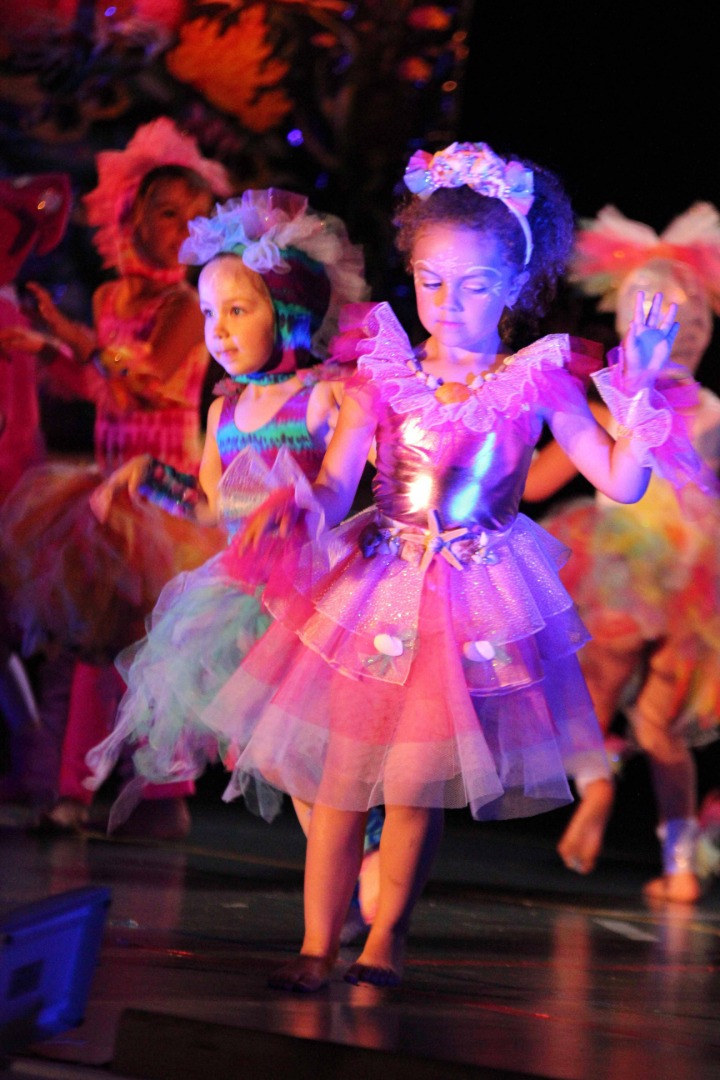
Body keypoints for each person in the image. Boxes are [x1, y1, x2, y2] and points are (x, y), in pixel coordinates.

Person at [194, 141, 709, 992]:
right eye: (432, 282)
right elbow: (330, 490)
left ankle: (384, 936)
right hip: (372, 584)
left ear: (513, 284)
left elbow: (620, 480)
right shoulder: (381, 371)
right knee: (340, 778)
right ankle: (318, 939)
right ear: (412, 272)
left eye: (473, 286)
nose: (448, 303)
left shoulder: (536, 380)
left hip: (474, 597)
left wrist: (642, 387)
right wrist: (287, 508)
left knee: (412, 787)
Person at [84, 188, 381, 935]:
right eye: (210, 315)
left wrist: (302, 502)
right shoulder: (224, 410)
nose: (218, 331)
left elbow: (332, 487)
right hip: (243, 595)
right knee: (272, 754)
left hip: (313, 595)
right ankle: (346, 868)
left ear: (288, 310)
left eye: (238, 311)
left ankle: (352, 871)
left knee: (303, 754)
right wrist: (153, 478)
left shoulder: (324, 397)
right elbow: (218, 505)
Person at [0, 118, 232, 836]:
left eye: (197, 218)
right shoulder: (107, 301)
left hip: (162, 489)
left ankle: (161, 791)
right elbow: (100, 388)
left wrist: (68, 343)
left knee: (155, 646)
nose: (183, 230)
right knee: (84, 647)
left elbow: (152, 381)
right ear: (129, 215)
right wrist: (54, 352)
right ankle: (73, 788)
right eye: (168, 214)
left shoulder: (190, 305)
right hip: (106, 485)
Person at [523, 203, 720, 902]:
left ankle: (623, 810)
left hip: (681, 584)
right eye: (665, 310)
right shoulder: (615, 408)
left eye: (694, 310)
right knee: (644, 722)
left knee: (606, 708)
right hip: (643, 576)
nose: (684, 322)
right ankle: (674, 862)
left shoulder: (709, 413)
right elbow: (538, 478)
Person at [0, 171, 73, 809]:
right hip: (14, 472)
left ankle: (34, 764)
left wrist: (49, 344)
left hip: (18, 479)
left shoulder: (13, 309)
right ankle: (31, 763)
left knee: (21, 634)